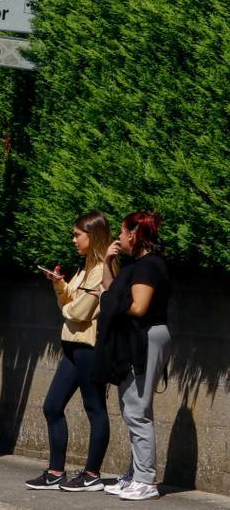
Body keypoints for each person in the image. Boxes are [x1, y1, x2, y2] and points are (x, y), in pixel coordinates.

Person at [24, 212, 113, 492]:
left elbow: (82, 311)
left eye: (78, 235)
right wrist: (60, 285)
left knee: (95, 408)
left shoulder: (102, 270)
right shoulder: (85, 268)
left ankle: (91, 474)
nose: (73, 239)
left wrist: (68, 307)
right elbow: (72, 302)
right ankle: (55, 471)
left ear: (93, 236)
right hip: (72, 345)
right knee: (52, 406)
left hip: (89, 347)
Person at [98, 211, 169, 502]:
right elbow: (110, 289)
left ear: (133, 234)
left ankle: (146, 480)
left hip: (145, 337)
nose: (119, 237)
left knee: (138, 411)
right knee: (132, 409)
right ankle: (134, 475)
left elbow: (138, 307)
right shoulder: (136, 265)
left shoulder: (149, 266)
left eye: (122, 232)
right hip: (136, 338)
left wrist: (109, 301)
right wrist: (107, 262)